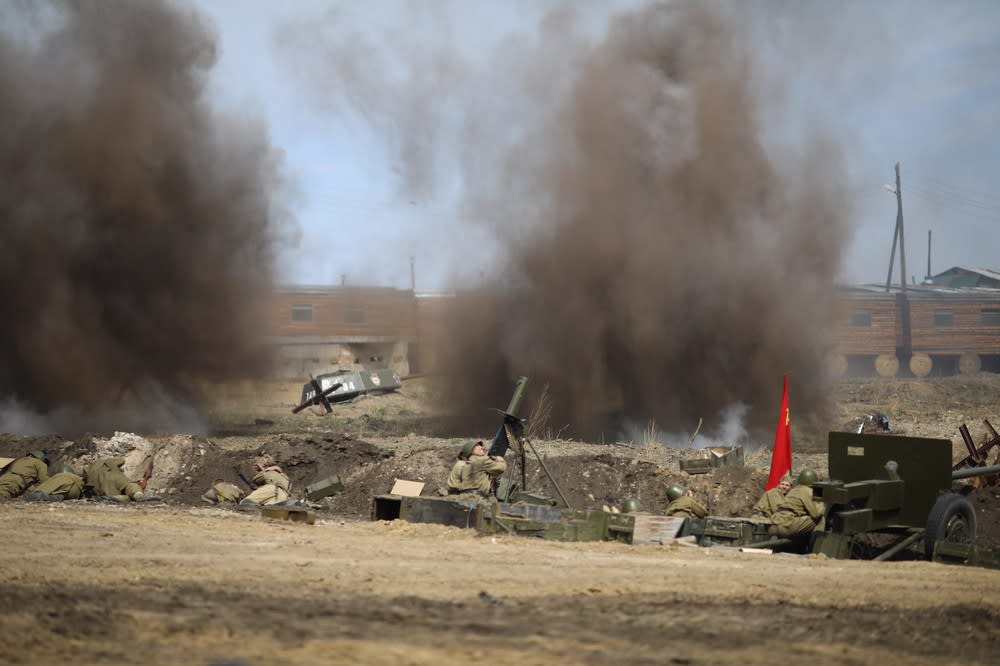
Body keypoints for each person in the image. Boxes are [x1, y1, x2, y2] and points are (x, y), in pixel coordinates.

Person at [769, 469, 825, 538]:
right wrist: (820, 497)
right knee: (820, 519)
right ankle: (817, 543)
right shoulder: (807, 491)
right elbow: (816, 514)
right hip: (787, 526)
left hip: (773, 525)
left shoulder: (793, 490)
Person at [84, 457, 159, 503]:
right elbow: (128, 485)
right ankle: (138, 496)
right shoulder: (115, 472)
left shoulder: (93, 469)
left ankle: (107, 498)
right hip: (113, 486)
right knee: (130, 494)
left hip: (98, 490)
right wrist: (138, 492)